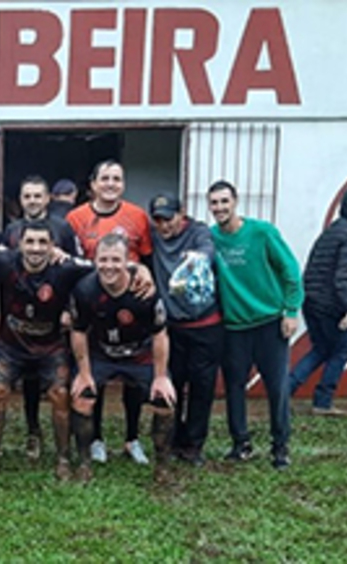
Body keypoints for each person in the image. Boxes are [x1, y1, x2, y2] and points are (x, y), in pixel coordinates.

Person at [0, 221, 92, 477]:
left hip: (50, 346)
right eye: (30, 242)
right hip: (10, 346)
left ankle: (62, 459)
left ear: (52, 246)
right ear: (19, 244)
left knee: (60, 394)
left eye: (42, 243)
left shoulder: (65, 268)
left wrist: (141, 273)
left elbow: (102, 267)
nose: (36, 248)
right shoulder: (5, 260)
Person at [209, 180, 302, 469]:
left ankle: (280, 447)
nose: (220, 208)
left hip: (269, 322)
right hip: (234, 326)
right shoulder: (210, 238)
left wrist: (291, 310)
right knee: (234, 386)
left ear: (235, 202)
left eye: (225, 201)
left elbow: (291, 271)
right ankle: (241, 444)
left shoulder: (262, 232)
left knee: (276, 387)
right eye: (214, 203)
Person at [69, 233, 175, 483]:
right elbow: (78, 332)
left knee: (166, 401)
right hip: (102, 355)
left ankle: (162, 467)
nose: (109, 266)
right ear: (94, 261)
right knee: (81, 400)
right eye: (103, 260)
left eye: (116, 260)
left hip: (140, 355)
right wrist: (84, 374)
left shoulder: (144, 292)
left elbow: (160, 335)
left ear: (127, 261)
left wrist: (161, 377)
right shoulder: (85, 290)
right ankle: (84, 463)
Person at [66, 160, 153, 466]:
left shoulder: (137, 217)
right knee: (94, 373)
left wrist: (145, 275)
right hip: (92, 305)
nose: (111, 184)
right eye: (105, 178)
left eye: (117, 178)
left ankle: (132, 439)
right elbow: (69, 267)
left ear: (123, 184)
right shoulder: (75, 218)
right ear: (93, 184)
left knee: (134, 375)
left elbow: (147, 260)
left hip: (129, 302)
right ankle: (97, 440)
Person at [3, 176, 80, 458]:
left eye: (38, 196)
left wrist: (68, 310)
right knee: (29, 382)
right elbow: (4, 275)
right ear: (20, 200)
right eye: (27, 196)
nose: (33, 201)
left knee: (59, 385)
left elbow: (75, 273)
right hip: (21, 324)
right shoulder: (11, 231)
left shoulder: (63, 229)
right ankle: (33, 431)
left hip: (54, 321)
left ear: (48, 199)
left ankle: (65, 443)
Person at [148, 194, 223, 466]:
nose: (164, 225)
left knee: (202, 387)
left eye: (168, 218)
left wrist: (198, 258)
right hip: (171, 326)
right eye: (158, 220)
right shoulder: (153, 237)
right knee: (172, 384)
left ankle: (193, 445)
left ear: (182, 214)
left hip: (205, 325)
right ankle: (171, 440)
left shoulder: (198, 232)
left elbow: (207, 249)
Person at [288, 190, 347, 416]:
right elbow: (344, 278)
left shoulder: (334, 231)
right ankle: (323, 401)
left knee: (322, 349)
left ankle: (286, 390)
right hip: (332, 306)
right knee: (342, 351)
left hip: (312, 302)